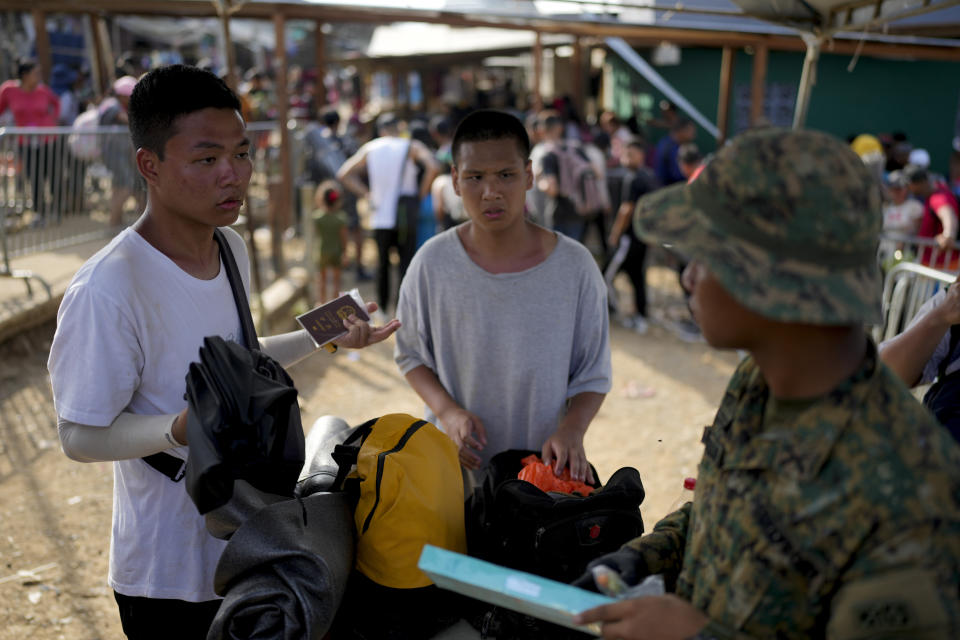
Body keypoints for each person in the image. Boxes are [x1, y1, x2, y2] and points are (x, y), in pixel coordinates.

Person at [47, 65, 399, 640]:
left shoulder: (229, 246)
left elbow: (244, 360)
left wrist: (327, 328)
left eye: (242, 153)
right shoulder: (108, 288)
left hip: (252, 550)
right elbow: (79, 436)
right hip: (167, 578)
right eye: (207, 159)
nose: (233, 175)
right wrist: (182, 428)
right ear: (149, 165)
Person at [571, 128, 960, 639]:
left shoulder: (912, 492)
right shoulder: (761, 381)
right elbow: (723, 507)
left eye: (708, 256)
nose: (688, 278)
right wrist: (639, 560)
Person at [393, 109, 612, 483]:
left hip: (543, 478)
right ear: (456, 181)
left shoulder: (575, 266)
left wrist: (572, 429)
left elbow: (592, 374)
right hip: (454, 470)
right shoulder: (431, 263)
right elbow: (411, 354)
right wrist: (448, 413)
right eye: (475, 177)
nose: (491, 192)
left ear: (529, 175)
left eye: (506, 176)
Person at [337, 112, 439, 313]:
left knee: (382, 264)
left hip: (380, 216)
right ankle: (405, 308)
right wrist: (420, 193)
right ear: (398, 128)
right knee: (406, 262)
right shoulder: (411, 146)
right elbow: (433, 166)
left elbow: (343, 173)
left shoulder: (370, 148)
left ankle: (382, 310)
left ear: (381, 130)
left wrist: (366, 194)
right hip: (404, 216)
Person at [605, 137, 659, 333]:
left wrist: (615, 233)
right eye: (624, 154)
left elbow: (626, 209)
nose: (626, 159)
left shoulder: (634, 178)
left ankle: (614, 312)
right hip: (643, 238)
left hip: (629, 238)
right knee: (637, 277)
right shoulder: (649, 176)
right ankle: (640, 316)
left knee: (605, 276)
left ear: (640, 156)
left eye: (630, 155)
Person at [0, 57, 60, 222]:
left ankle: (56, 211)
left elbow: (56, 104)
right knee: (34, 177)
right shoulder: (8, 90)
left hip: (48, 140)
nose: (39, 76)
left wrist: (53, 119)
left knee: (52, 175)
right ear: (25, 75)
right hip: (25, 142)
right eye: (36, 73)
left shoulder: (43, 90)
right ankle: (39, 212)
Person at [99, 75, 143, 227]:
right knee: (125, 186)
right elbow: (126, 119)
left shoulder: (113, 104)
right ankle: (114, 221)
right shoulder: (112, 106)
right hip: (114, 154)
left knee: (120, 186)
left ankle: (116, 221)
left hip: (119, 154)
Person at [907, 163, 960, 268]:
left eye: (909, 184)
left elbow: (948, 214)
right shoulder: (934, 194)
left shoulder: (938, 197)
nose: (908, 188)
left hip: (942, 266)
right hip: (932, 264)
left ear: (919, 183)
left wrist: (948, 235)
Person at [311, 180, 349, 304]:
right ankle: (335, 304)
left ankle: (321, 303)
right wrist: (345, 252)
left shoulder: (317, 217)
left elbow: (315, 234)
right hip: (337, 252)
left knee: (322, 280)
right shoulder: (341, 218)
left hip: (322, 251)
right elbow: (344, 238)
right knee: (336, 281)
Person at [654, 117, 695, 186]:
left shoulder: (669, 143)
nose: (693, 135)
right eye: (690, 131)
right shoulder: (669, 147)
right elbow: (677, 175)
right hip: (666, 189)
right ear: (681, 131)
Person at [882, 169, 923, 235]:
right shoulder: (885, 207)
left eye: (899, 189)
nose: (896, 192)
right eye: (893, 189)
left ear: (906, 189)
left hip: (906, 244)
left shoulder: (915, 206)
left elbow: (917, 230)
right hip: (884, 244)